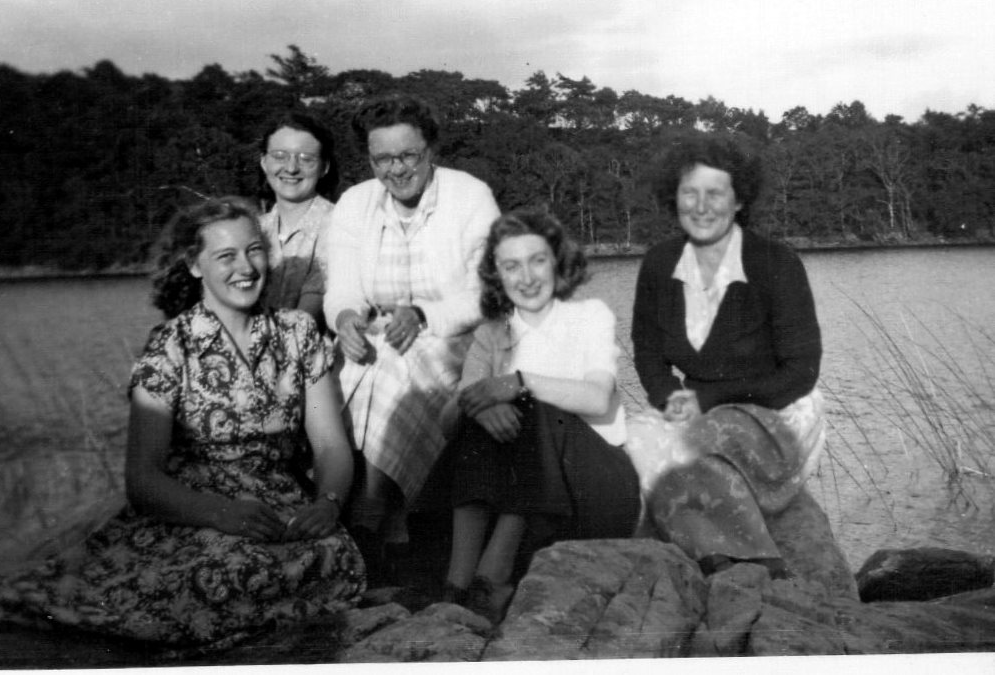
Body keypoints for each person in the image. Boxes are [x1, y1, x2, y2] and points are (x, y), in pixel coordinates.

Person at [0, 197, 364, 649]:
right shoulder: (170, 347)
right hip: (194, 511)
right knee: (227, 573)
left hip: (280, 508)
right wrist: (223, 514)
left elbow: (332, 446)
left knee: (332, 556)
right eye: (226, 256)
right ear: (195, 266)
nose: (246, 267)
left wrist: (327, 504)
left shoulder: (297, 333)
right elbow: (142, 479)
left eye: (254, 250)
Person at [629, 133, 824, 579]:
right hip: (700, 407)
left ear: (738, 201)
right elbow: (648, 350)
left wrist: (708, 400)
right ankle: (716, 557)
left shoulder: (776, 263)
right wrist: (668, 397)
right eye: (689, 193)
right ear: (673, 197)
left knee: (689, 446)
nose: (701, 206)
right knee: (635, 442)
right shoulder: (660, 264)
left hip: (777, 409)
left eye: (714, 193)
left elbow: (801, 371)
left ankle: (759, 564)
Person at [324, 93, 499, 576]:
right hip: (378, 335)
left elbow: (488, 295)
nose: (396, 170)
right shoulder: (355, 204)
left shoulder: (470, 195)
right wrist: (344, 320)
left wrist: (422, 315)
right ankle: (375, 521)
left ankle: (368, 516)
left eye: (407, 156)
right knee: (337, 373)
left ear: (431, 151)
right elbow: (341, 290)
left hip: (454, 335)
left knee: (396, 367)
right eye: (383, 158)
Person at [441, 208, 640, 622]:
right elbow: (458, 409)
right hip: (533, 498)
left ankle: (492, 575)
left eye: (537, 261)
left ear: (558, 262)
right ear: (496, 275)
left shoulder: (589, 317)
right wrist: (483, 407)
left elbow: (597, 399)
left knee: (532, 405)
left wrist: (518, 382)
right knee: (478, 411)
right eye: (511, 266)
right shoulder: (493, 332)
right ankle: (457, 586)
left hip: (595, 487)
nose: (526, 278)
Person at [257, 110, 338, 323]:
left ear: (324, 167)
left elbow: (306, 318)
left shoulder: (341, 225)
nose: (291, 168)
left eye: (306, 159)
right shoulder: (253, 230)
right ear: (264, 162)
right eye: (279, 156)